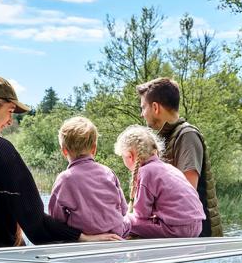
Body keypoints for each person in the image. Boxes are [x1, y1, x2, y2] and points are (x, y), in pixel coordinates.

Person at [0, 74, 120, 250]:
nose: (10, 121)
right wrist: (83, 237)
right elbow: (36, 225)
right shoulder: (1, 150)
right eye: (10, 111)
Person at [136, 77, 223, 237]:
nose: (142, 114)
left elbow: (186, 195)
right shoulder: (167, 138)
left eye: (143, 108)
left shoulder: (187, 136)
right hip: (183, 235)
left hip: (198, 238)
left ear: (155, 107)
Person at [114, 125, 204, 238]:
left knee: (127, 221)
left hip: (176, 229)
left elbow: (141, 214)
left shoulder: (146, 172)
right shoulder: (170, 168)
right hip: (197, 226)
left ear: (130, 156)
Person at [48, 116, 129, 237]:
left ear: (64, 151)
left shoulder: (65, 179)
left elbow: (56, 217)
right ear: (94, 149)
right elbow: (123, 209)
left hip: (87, 238)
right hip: (116, 235)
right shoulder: (108, 172)